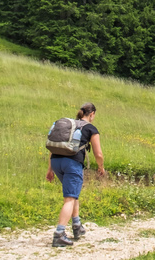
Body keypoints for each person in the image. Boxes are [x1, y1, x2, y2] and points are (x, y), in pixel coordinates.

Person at [46, 103, 104, 248]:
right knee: (70, 198)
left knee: (73, 193)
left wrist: (50, 169)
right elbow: (98, 154)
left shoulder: (69, 125)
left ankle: (77, 226)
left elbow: (55, 147)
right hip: (72, 163)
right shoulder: (90, 128)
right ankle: (59, 234)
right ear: (92, 114)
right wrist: (101, 168)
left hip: (56, 162)